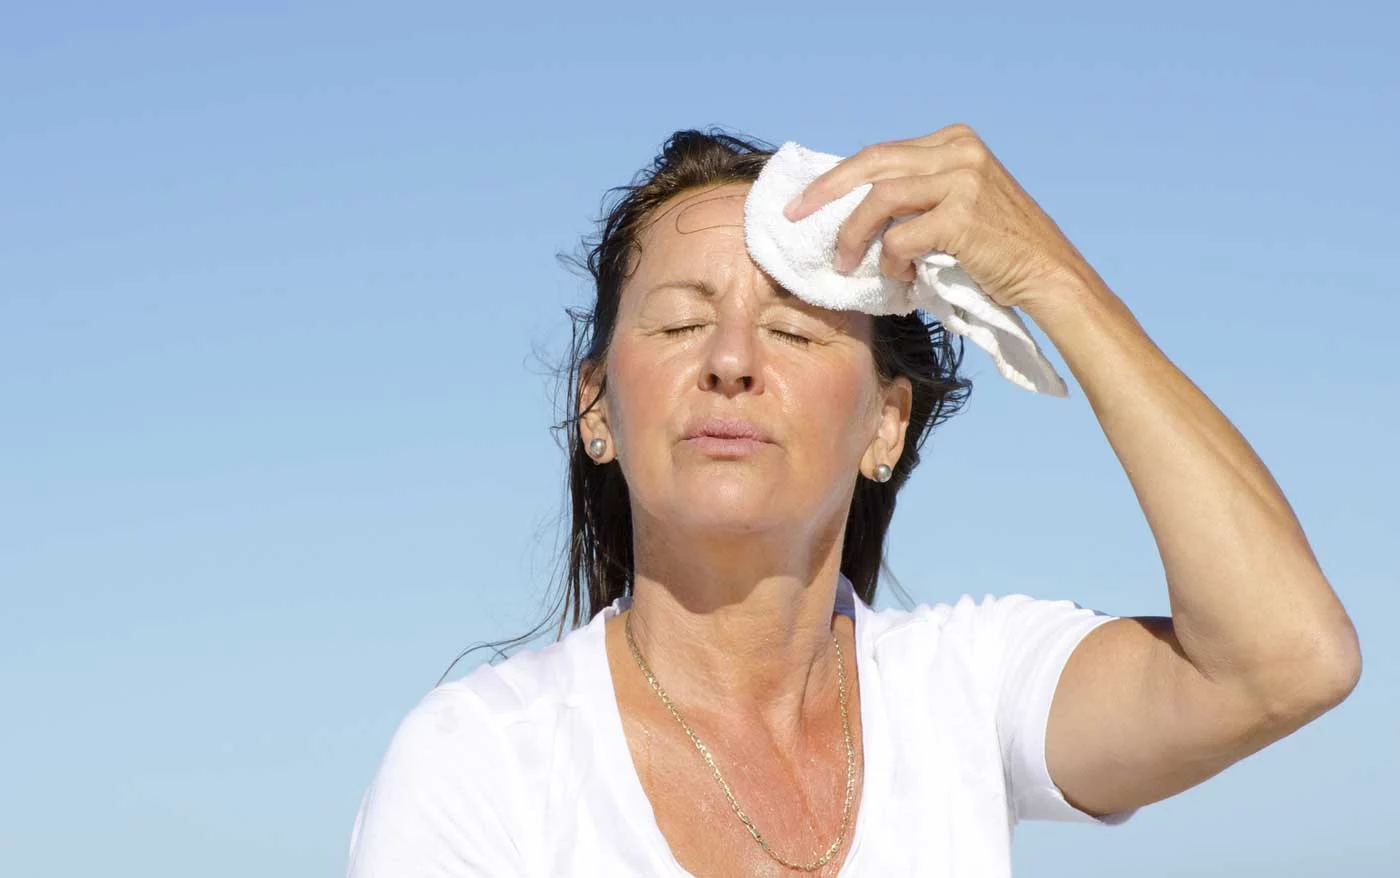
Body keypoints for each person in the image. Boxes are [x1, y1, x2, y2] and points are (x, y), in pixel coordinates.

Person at [344, 125, 1362, 877]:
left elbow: (1285, 659)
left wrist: (1048, 274)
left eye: (790, 330)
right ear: (596, 406)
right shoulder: (480, 763)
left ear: (885, 425)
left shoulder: (961, 691)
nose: (732, 361)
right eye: (679, 324)